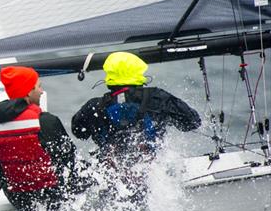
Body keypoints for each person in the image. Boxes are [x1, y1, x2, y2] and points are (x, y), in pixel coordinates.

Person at [71, 51, 201, 167]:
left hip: (112, 176)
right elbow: (192, 122)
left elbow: (78, 132)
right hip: (151, 172)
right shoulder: (158, 97)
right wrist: (165, 118)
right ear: (138, 70)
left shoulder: (94, 106)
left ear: (109, 73)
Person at [0, 66, 81, 211]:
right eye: (38, 87)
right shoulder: (47, 122)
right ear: (28, 91)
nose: (41, 91)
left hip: (18, 200)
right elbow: (70, 161)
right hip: (54, 197)